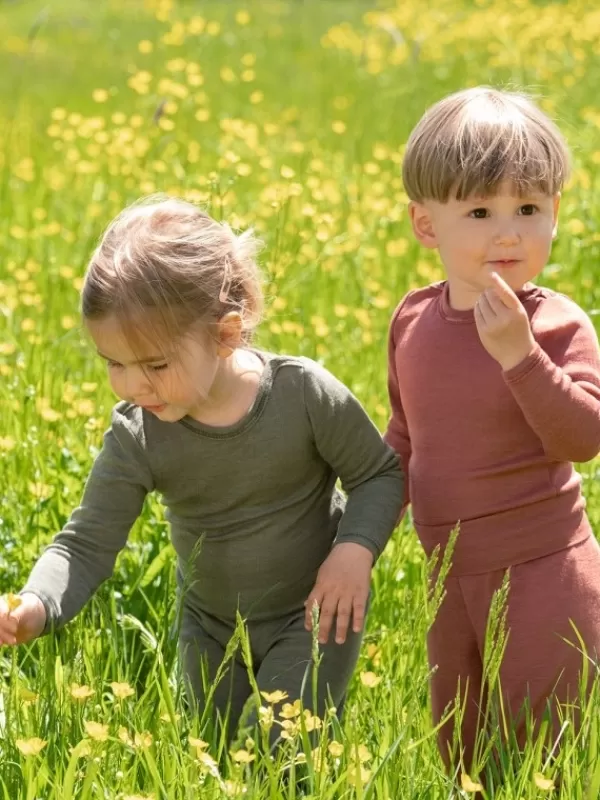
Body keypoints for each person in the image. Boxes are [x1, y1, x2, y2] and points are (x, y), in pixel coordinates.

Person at [0, 196, 403, 744]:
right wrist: (36, 604)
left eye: (155, 365)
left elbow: (378, 473)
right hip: (209, 628)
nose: (132, 386)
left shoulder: (301, 395)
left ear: (226, 334)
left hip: (312, 615)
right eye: (114, 363)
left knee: (279, 756)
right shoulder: (139, 433)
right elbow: (85, 543)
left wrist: (354, 551)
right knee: (210, 754)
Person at [384, 87, 600, 770]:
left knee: (551, 753)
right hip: (447, 579)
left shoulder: (556, 325)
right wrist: (354, 536)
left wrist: (521, 357)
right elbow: (404, 441)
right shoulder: (414, 322)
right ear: (427, 225)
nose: (509, 231)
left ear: (555, 215)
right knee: (462, 751)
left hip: (545, 573)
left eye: (529, 209)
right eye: (481, 211)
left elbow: (584, 438)